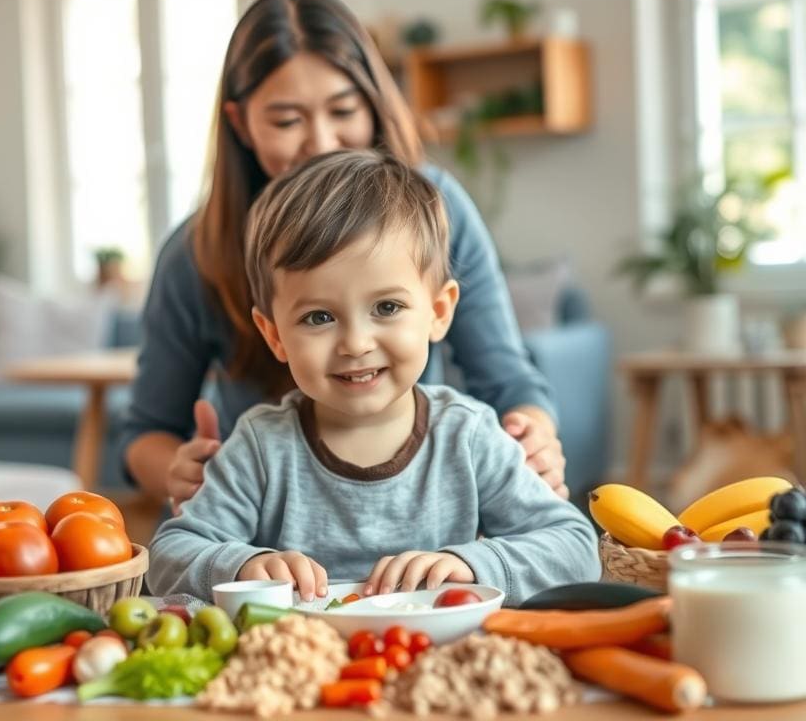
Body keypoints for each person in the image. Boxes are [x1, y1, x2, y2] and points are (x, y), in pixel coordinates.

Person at [123, 0, 568, 510]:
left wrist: (532, 437)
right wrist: (188, 473)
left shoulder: (439, 207)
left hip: (428, 522)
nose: (322, 142)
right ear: (241, 123)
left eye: (343, 110)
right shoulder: (197, 252)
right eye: (287, 121)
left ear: (374, 107)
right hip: (271, 534)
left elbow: (508, 381)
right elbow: (146, 433)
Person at [146, 151, 599, 605]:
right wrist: (242, 565)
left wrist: (472, 564)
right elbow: (170, 555)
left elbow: (576, 547)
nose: (356, 343)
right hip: (302, 669)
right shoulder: (260, 448)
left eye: (387, 308)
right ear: (274, 335)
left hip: (436, 665)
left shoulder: (468, 434)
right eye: (319, 316)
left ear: (439, 312)